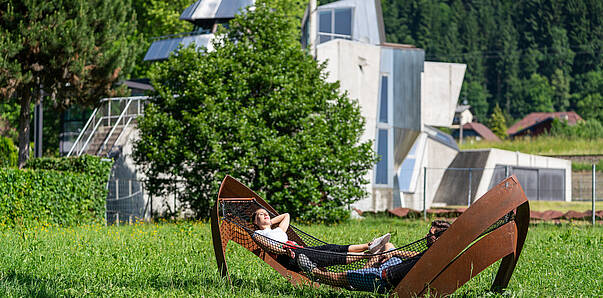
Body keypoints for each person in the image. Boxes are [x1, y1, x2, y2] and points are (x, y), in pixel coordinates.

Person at [306, 220, 452, 293]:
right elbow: (414, 255)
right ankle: (362, 271)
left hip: (382, 279)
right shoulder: (437, 253)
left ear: (438, 239)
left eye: (431, 234)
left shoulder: (433, 254)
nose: (427, 235)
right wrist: (395, 252)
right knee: (389, 246)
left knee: (340, 276)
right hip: (391, 268)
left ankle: (312, 271)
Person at [251, 208, 391, 270]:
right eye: (260, 215)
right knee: (330, 256)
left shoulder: (278, 230)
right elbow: (269, 247)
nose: (264, 215)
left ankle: (370, 245)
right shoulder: (257, 234)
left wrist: (269, 222)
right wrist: (285, 251)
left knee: (331, 247)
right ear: (255, 223)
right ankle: (368, 255)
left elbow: (286, 215)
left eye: (266, 213)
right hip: (290, 257)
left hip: (299, 250)